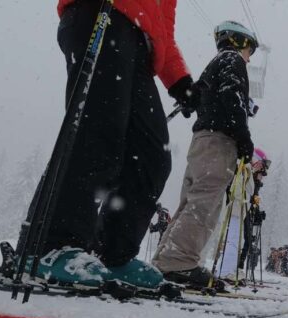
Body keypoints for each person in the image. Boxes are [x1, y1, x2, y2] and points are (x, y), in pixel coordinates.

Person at [15, 0, 197, 290]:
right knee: (97, 134)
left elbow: (163, 32)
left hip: (141, 46)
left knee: (152, 155)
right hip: (100, 12)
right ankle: (48, 245)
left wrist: (181, 81)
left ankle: (113, 253)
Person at [153, 20, 257, 288]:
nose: (249, 57)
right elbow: (231, 97)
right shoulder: (233, 60)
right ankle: (179, 262)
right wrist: (244, 140)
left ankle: (168, 258)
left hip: (203, 140)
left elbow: (206, 96)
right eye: (250, 50)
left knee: (192, 201)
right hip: (219, 141)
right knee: (205, 204)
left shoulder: (217, 62)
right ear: (240, 42)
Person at [238, 148, 270, 273]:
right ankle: (236, 266)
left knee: (248, 238)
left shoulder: (256, 182)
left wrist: (257, 213)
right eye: (261, 169)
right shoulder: (247, 176)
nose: (262, 175)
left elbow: (255, 199)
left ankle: (240, 266)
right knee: (244, 237)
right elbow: (249, 197)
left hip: (249, 210)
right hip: (242, 208)